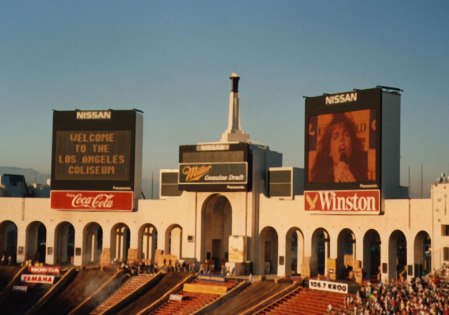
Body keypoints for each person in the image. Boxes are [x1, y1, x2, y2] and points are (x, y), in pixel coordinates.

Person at [311, 113, 367, 183]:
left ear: (353, 146)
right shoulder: (319, 181)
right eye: (335, 137)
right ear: (329, 151)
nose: (341, 139)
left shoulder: (363, 180)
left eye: (346, 135)